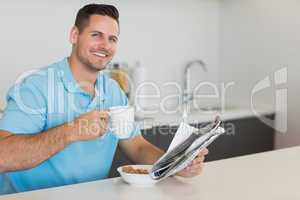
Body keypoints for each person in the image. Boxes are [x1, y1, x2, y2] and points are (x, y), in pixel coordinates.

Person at [0, 4, 208, 195]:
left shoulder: (113, 91)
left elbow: (137, 146)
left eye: (112, 39)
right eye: (96, 35)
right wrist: (71, 130)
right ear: (75, 35)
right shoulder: (35, 86)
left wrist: (176, 164)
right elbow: (3, 156)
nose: (105, 45)